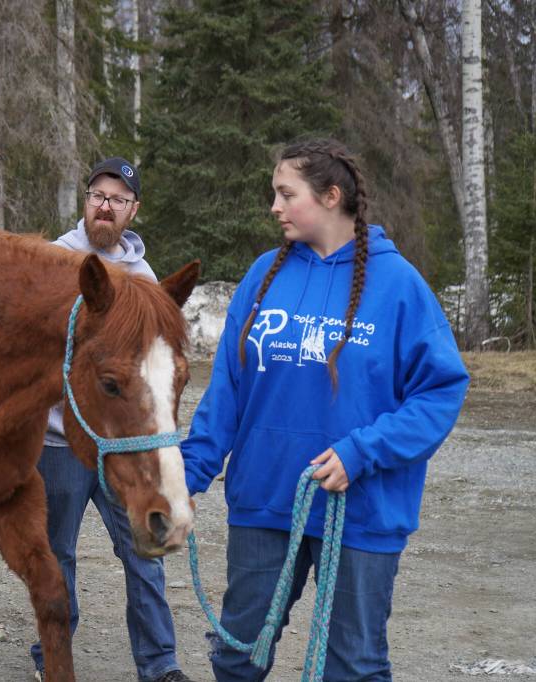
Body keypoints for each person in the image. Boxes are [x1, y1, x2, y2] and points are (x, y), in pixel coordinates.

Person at [179, 139, 470, 681]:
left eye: (287, 194)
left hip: (362, 513)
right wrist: (186, 475)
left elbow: (440, 392)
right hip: (265, 504)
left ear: (331, 196)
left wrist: (363, 452)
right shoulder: (263, 275)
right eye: (274, 194)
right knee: (237, 654)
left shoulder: (400, 285)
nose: (274, 206)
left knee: (353, 667)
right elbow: (226, 394)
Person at [29, 158, 192, 682]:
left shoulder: (145, 280)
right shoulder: (55, 261)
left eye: (118, 199)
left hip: (123, 448)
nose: (106, 205)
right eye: (98, 194)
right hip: (59, 442)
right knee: (58, 556)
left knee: (144, 552)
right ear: (87, 201)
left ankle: (160, 664)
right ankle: (52, 658)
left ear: (132, 211)